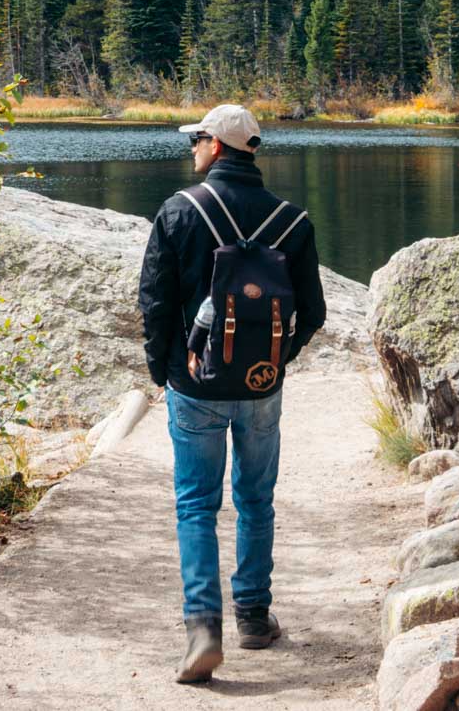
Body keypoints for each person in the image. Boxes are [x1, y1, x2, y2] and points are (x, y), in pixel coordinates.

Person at [138, 103, 326, 684]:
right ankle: (253, 616)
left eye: (196, 139)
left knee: (196, 504)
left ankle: (203, 629)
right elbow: (313, 312)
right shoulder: (293, 223)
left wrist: (164, 369)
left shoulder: (178, 211)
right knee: (255, 499)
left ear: (217, 146)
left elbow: (155, 303)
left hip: (193, 384)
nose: (191, 147)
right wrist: (274, 363)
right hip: (260, 387)